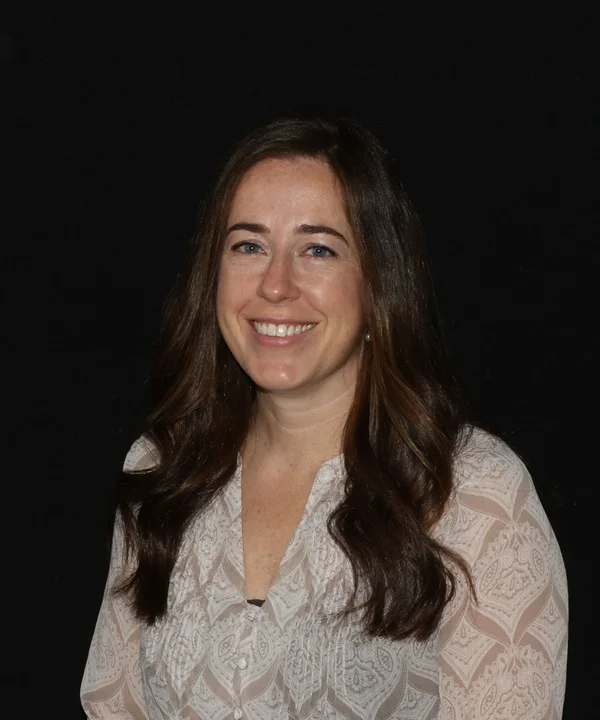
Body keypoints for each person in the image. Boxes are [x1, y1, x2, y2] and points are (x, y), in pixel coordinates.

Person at [80, 115, 568, 719]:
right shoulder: (162, 471)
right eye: (248, 246)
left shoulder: (474, 493)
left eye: (318, 249)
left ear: (378, 283)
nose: (276, 285)